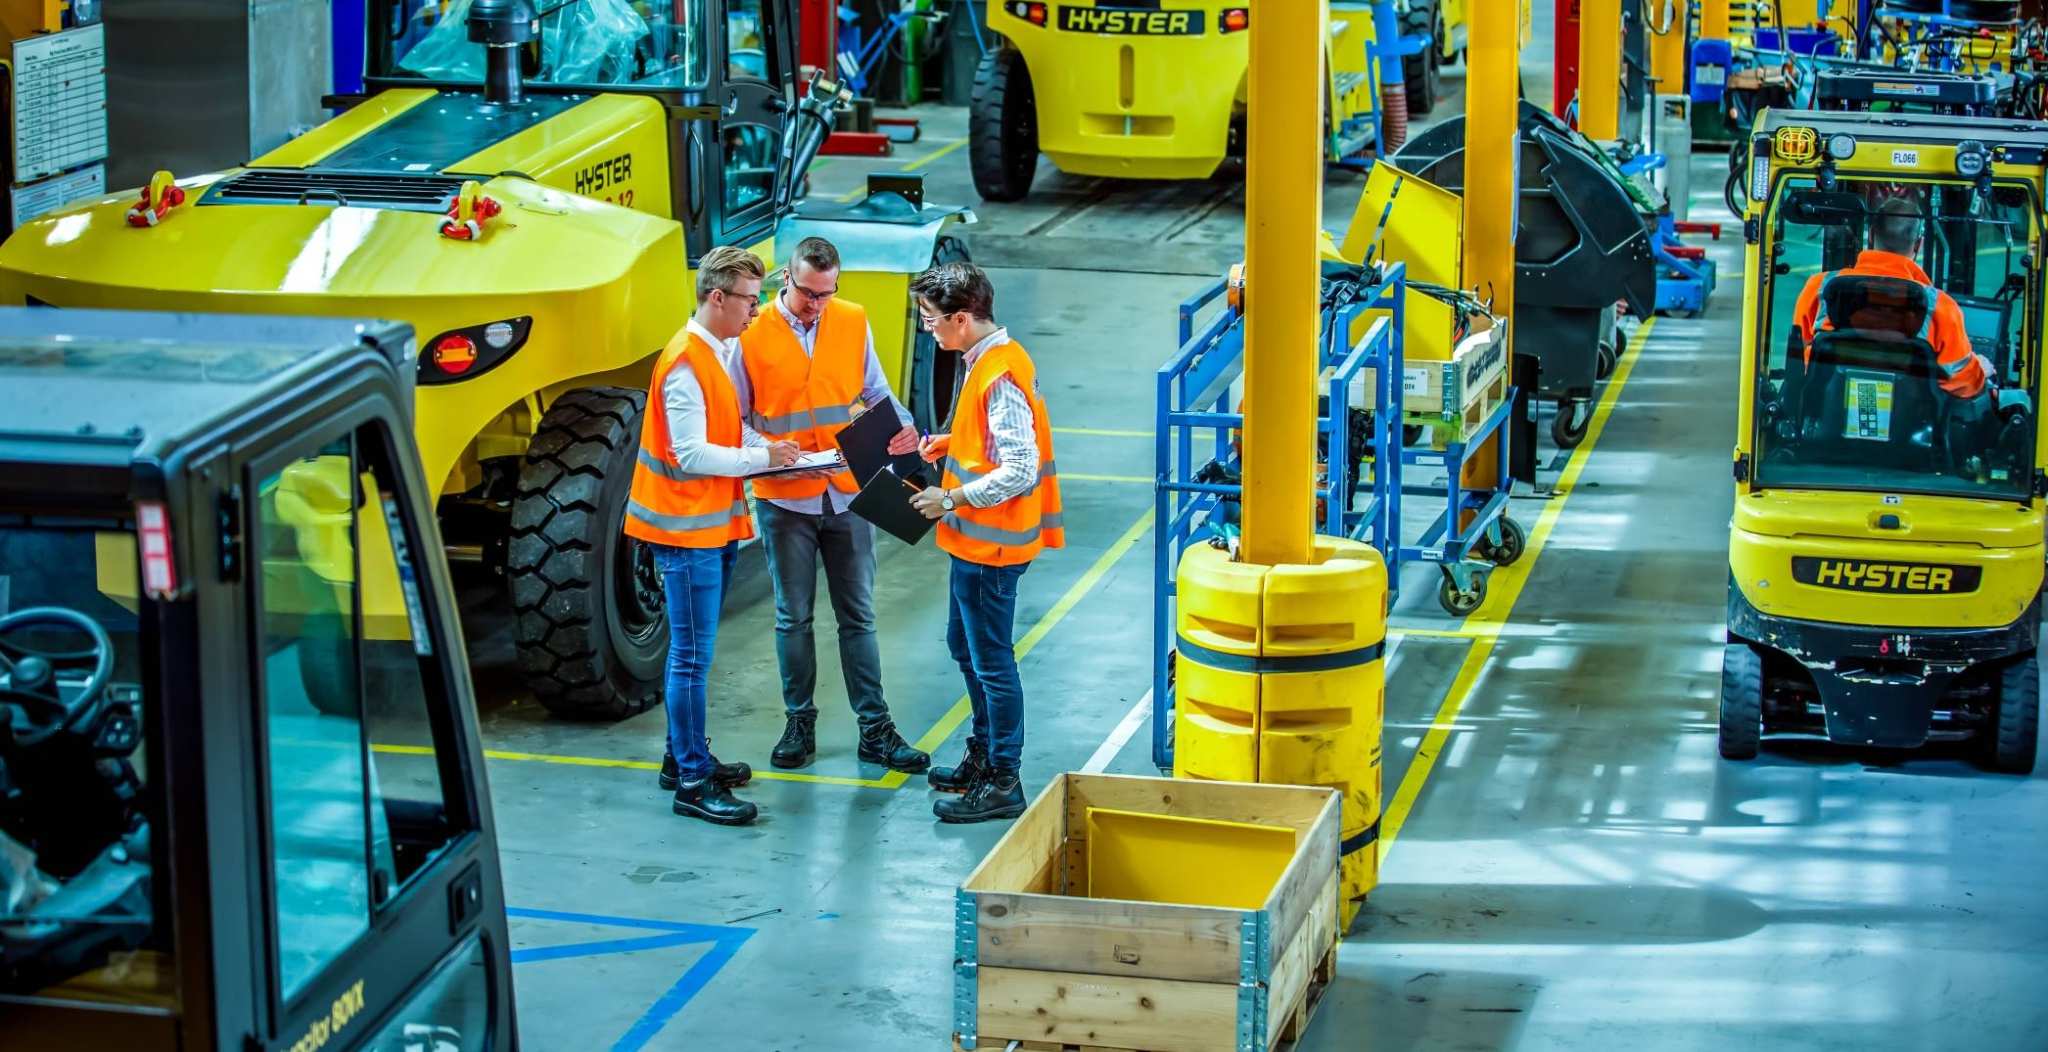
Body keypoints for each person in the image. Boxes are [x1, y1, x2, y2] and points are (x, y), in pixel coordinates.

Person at [734, 235, 931, 774]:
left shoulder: (851, 318)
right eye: (808, 293)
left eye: (827, 293)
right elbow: (737, 419)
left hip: (846, 491)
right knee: (791, 617)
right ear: (785, 280)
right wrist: (771, 453)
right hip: (785, 498)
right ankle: (800, 722)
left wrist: (905, 428)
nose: (817, 304)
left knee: (859, 617)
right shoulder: (749, 334)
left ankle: (876, 729)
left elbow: (875, 391)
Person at [624, 245, 800, 826]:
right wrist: (762, 458)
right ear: (717, 297)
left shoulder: (717, 350)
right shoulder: (685, 362)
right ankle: (693, 782)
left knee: (693, 655)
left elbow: (720, 428)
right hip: (685, 531)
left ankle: (683, 758)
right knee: (691, 659)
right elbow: (694, 453)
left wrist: (765, 446)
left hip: (708, 524)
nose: (757, 311)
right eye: (750, 300)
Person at [906, 262, 1064, 824]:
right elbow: (995, 442)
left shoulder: (997, 373)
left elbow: (1020, 468)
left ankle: (1004, 779)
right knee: (964, 647)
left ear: (963, 318)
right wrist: (951, 442)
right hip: (973, 547)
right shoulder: (992, 357)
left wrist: (950, 499)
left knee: (992, 662)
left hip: (991, 549)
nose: (929, 330)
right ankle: (982, 754)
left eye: (931, 320)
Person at [1793, 195, 1993, 402]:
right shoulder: (1941, 307)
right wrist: (1980, 371)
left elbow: (1798, 361)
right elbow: (1964, 385)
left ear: (1870, 236)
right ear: (1919, 245)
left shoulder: (1819, 288)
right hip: (1910, 427)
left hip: (1826, 416)